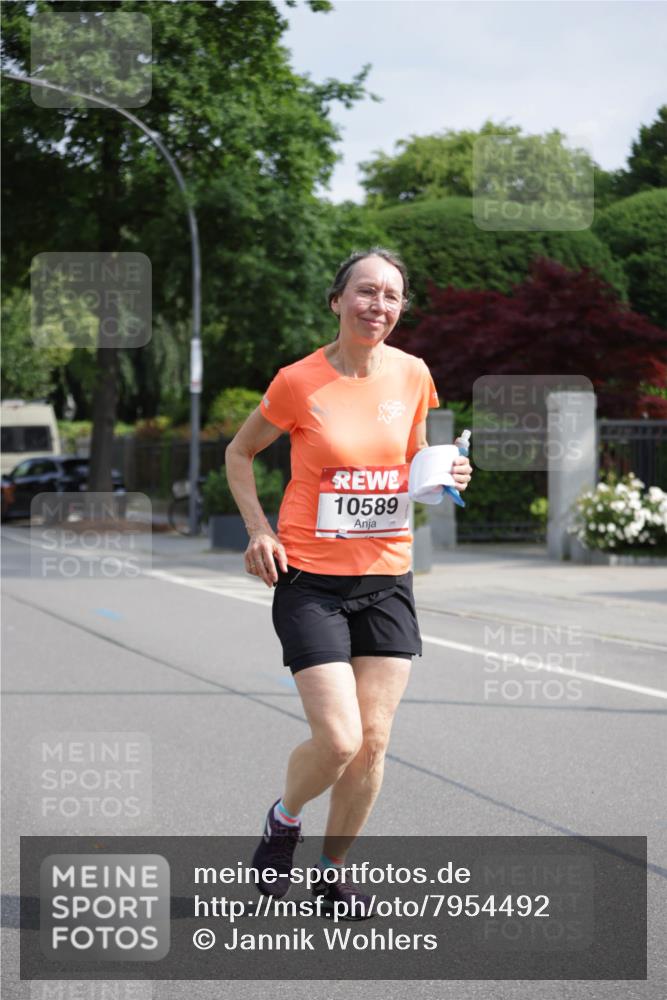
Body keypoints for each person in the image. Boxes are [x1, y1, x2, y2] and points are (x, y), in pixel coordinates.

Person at [225, 248, 472, 918]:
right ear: (336, 301)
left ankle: (333, 874)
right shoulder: (298, 381)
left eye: (391, 296)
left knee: (374, 742)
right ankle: (284, 818)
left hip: (388, 578)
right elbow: (239, 453)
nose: (379, 307)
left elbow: (416, 464)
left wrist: (444, 476)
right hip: (309, 579)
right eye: (366, 292)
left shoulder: (413, 374)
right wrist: (257, 530)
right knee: (338, 739)